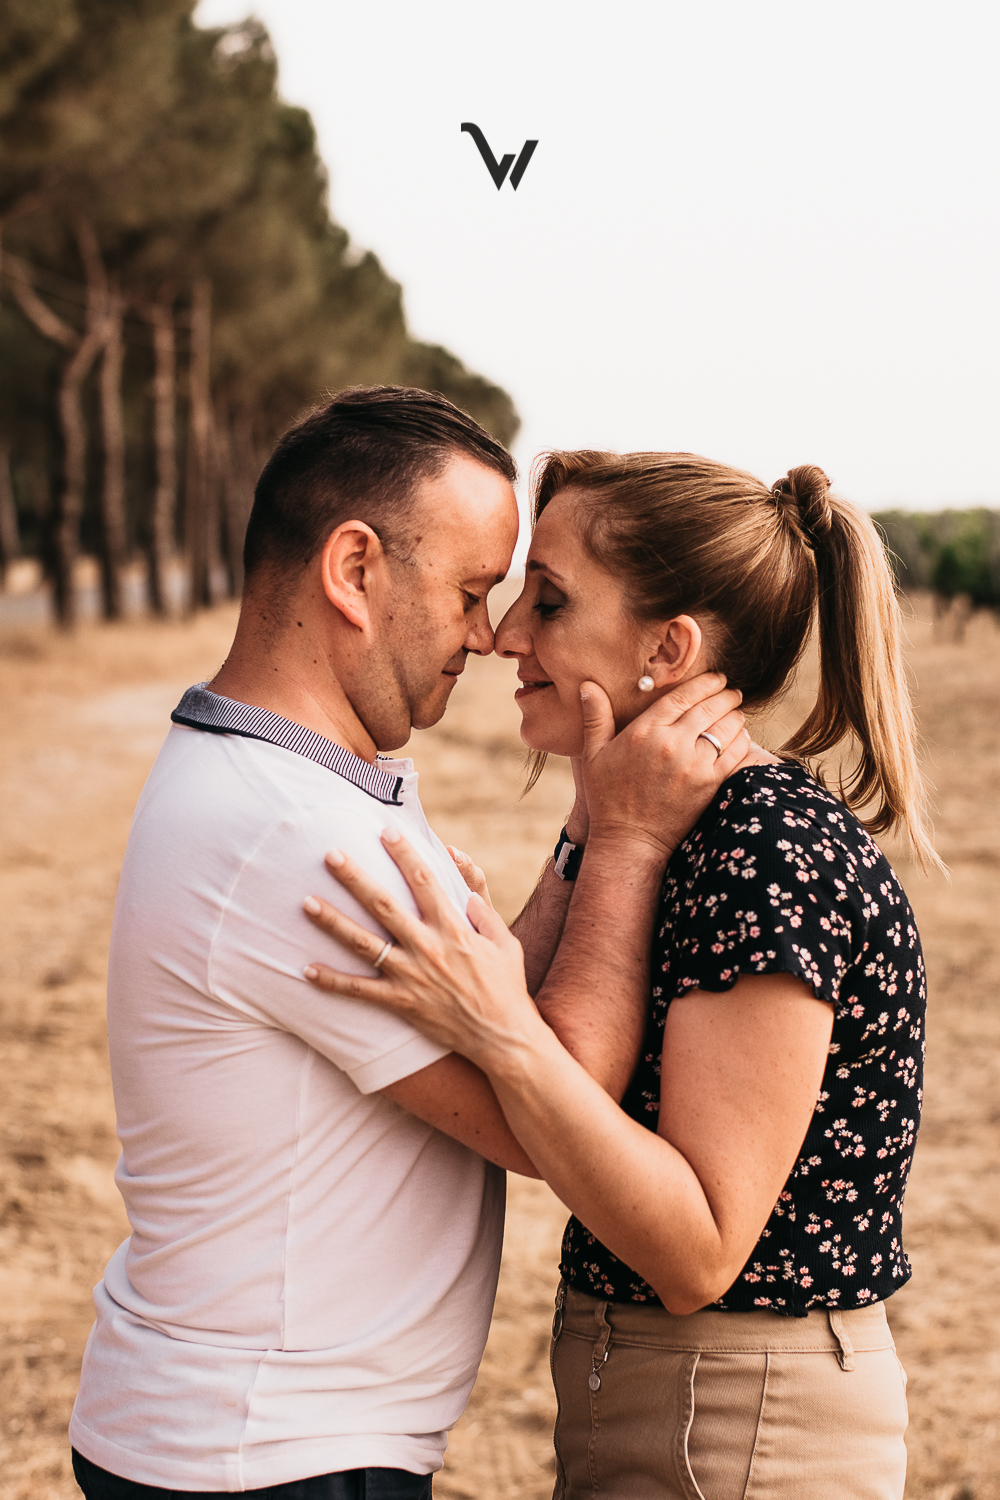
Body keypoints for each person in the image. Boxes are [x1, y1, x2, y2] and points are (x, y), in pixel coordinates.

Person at [69, 397, 751, 1500]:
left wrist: (583, 828)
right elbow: (549, 1101)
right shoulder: (297, 837)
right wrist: (627, 842)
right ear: (354, 570)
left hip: (259, 1434)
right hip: (268, 1452)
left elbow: (489, 1007)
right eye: (472, 593)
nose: (489, 636)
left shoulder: (297, 780)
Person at [300, 451, 936, 1500]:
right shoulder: (673, 824)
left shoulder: (766, 850)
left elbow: (698, 1251)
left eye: (548, 602)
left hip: (743, 1422)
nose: (505, 634)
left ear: (667, 648)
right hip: (680, 1404)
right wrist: (593, 831)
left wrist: (499, 1021)